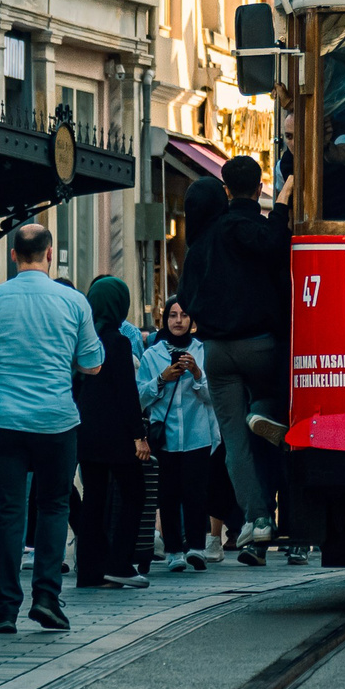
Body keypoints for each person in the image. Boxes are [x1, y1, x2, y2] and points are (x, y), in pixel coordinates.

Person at [0, 224, 104, 633]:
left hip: (2, 419)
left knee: (8, 513)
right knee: (54, 506)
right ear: (50, 254)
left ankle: (5, 608)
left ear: (13, 256)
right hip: (56, 420)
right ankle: (47, 599)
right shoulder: (74, 301)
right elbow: (92, 363)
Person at [188, 156, 294, 557]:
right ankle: (263, 411)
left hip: (217, 351)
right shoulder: (253, 229)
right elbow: (275, 246)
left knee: (234, 442)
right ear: (259, 186)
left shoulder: (204, 239)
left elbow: (188, 295)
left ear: (226, 189)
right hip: (260, 343)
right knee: (274, 409)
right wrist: (281, 206)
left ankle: (258, 518)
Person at [74, 276, 152, 588]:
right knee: (135, 494)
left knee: (93, 498)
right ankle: (119, 563)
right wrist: (139, 435)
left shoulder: (82, 342)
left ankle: (89, 572)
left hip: (85, 433)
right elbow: (126, 393)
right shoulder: (118, 343)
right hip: (116, 436)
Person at [139, 298, 219, 571]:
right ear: (165, 320)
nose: (178, 321)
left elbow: (213, 397)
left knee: (196, 492)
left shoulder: (203, 351)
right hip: (166, 436)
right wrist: (162, 378)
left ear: (191, 320)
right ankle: (174, 551)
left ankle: (197, 547)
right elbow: (140, 397)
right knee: (169, 494)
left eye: (184, 315)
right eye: (172, 315)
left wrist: (196, 373)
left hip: (198, 433)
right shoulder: (152, 355)